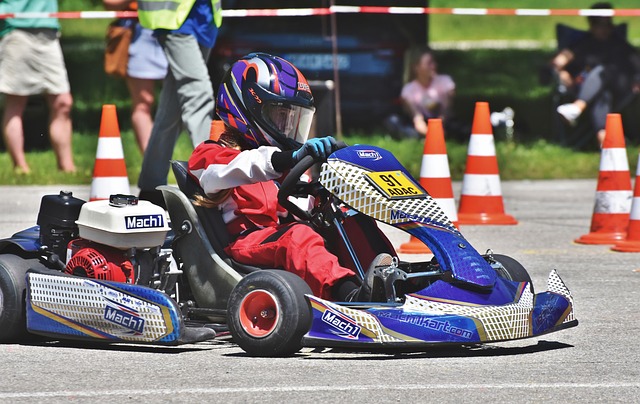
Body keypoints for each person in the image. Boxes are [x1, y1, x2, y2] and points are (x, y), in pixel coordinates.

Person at [188, 53, 396, 302]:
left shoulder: (288, 164)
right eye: (279, 116)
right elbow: (243, 167)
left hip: (283, 237)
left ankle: (392, 281)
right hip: (245, 245)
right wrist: (286, 159)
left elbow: (302, 206)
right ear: (248, 109)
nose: (287, 127)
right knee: (299, 236)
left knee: (347, 218)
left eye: (294, 118)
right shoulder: (214, 155)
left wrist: (327, 196)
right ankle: (349, 295)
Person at [136, 0, 222, 207]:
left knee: (171, 111)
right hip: (174, 19)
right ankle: (213, 180)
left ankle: (151, 187)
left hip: (202, 17)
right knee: (198, 95)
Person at [0, 0, 76, 174]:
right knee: (16, 102)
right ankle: (20, 168)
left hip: (48, 29)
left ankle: (67, 168)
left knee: (63, 102)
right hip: (15, 28)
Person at [553, 2, 640, 146]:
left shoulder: (620, 45)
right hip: (587, 89)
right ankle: (604, 141)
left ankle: (577, 107)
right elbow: (557, 62)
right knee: (602, 95)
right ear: (592, 25)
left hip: (620, 88)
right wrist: (561, 72)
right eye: (600, 24)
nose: (605, 29)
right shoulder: (583, 44)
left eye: (608, 24)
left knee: (603, 71)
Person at [103, 0, 168, 154]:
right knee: (143, 102)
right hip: (140, 30)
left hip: (180, 30)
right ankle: (151, 159)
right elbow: (109, 3)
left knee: (183, 100)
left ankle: (190, 156)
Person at [384, 47, 458, 140]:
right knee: (393, 121)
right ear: (416, 67)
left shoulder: (445, 82)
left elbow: (447, 110)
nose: (434, 66)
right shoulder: (408, 90)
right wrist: (431, 134)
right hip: (424, 123)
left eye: (433, 62)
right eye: (429, 63)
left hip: (444, 122)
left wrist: (439, 127)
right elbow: (417, 118)